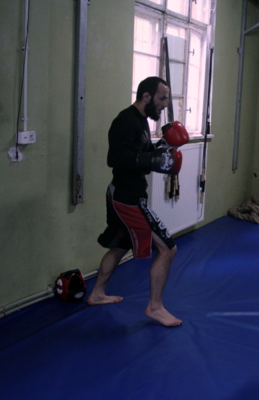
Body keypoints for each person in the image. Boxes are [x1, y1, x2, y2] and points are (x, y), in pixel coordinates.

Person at [87, 76, 187, 327]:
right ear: (146, 96)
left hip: (122, 193)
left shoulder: (141, 120)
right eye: (162, 98)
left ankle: (97, 293)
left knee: (120, 245)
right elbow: (115, 159)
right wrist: (150, 160)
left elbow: (140, 153)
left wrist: (163, 146)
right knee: (168, 249)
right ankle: (155, 307)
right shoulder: (125, 121)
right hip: (127, 199)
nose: (165, 104)